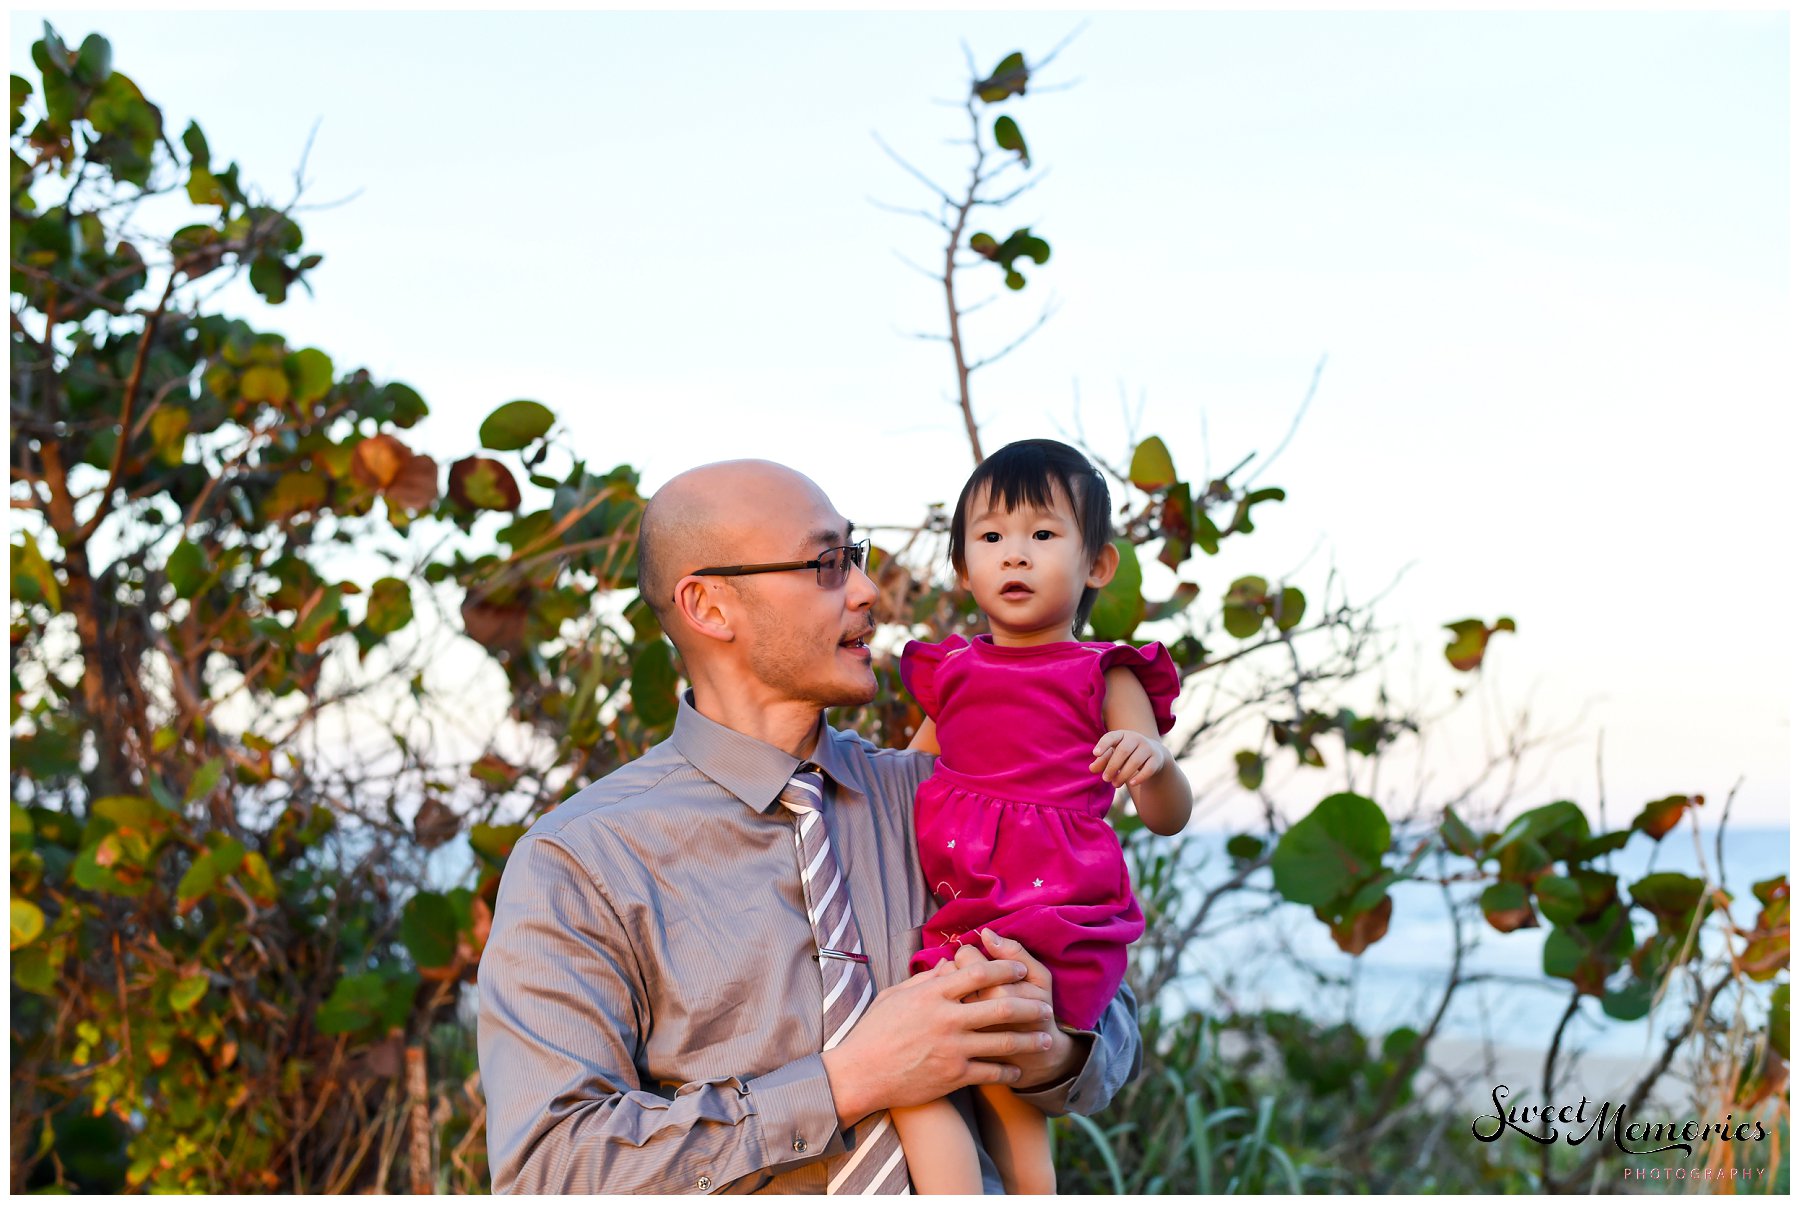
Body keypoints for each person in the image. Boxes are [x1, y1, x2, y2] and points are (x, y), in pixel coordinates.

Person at [476, 459, 1142, 1194]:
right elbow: (549, 1170)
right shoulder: (583, 860)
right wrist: (848, 1080)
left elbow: (1112, 1028)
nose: (865, 592)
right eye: (827, 564)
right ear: (709, 606)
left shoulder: (942, 798)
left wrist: (1051, 1046)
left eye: (854, 559)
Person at [889, 439, 1194, 1195]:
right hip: (966, 910)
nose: (1014, 556)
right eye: (991, 538)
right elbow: (903, 779)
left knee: (989, 1070)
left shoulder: (1102, 672)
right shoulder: (955, 672)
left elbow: (1166, 815)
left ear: (1097, 564)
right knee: (939, 1075)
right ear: (964, 568)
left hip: (1049, 912)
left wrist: (1151, 762)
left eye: (1043, 535)